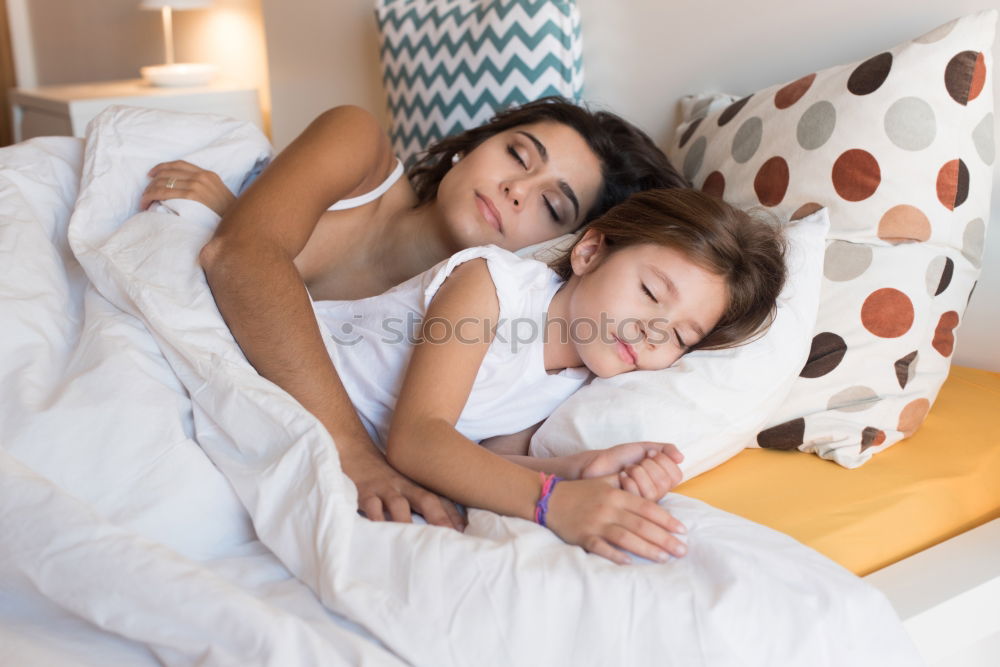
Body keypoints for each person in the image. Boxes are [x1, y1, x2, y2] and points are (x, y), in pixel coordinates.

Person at [141, 97, 688, 530]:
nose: (517, 190)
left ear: (568, 246)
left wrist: (571, 475)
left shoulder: (489, 333)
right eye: (518, 156)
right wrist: (353, 451)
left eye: (552, 205)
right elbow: (240, 257)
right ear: (471, 147)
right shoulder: (358, 142)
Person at [313, 188, 787, 564]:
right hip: (284, 376)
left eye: (681, 336)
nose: (652, 331)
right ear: (590, 252)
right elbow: (418, 439)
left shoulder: (577, 382)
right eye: (649, 291)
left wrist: (584, 470)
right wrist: (553, 502)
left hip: (331, 438)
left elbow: (482, 463)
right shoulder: (491, 284)